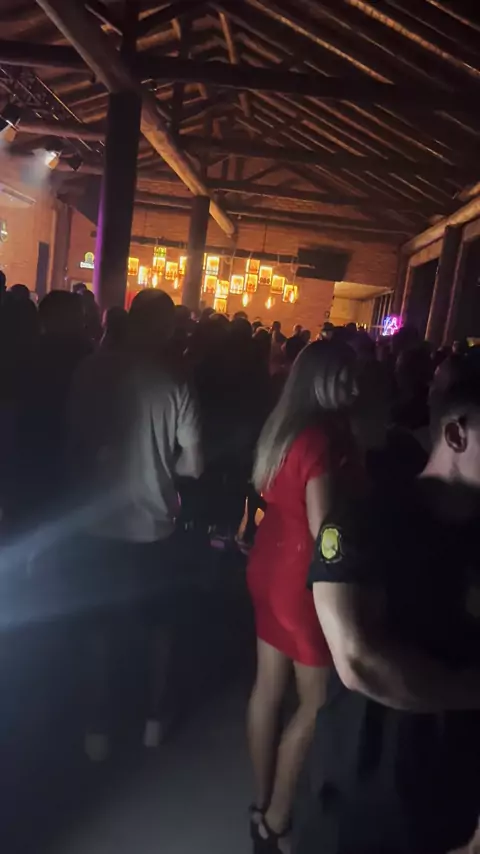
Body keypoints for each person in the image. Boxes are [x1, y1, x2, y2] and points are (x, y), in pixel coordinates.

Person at [294, 362, 480, 854]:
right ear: (456, 434)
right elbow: (360, 661)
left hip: (455, 798)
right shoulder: (364, 520)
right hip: (364, 789)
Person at [68, 289, 203, 758]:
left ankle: (97, 727)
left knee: (98, 628)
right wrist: (162, 464)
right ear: (165, 327)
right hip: (154, 525)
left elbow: (74, 446)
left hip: (97, 522)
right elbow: (195, 465)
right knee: (158, 627)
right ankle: (153, 718)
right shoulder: (175, 377)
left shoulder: (89, 369)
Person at [247, 341, 359, 853]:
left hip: (269, 563)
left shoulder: (284, 427)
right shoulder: (318, 440)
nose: (355, 386)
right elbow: (323, 531)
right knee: (316, 702)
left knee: (268, 687)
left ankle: (261, 802)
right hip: (299, 579)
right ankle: (275, 820)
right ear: (324, 382)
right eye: (346, 378)